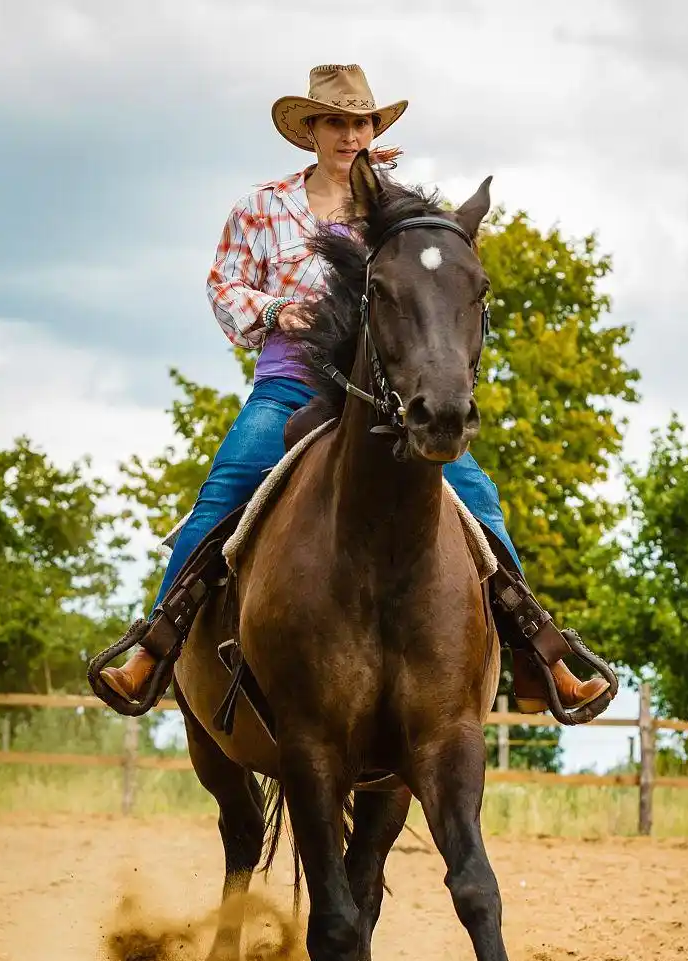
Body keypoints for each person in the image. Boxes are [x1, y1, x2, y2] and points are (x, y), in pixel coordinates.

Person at [100, 64, 611, 720]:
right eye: (336, 122)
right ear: (310, 130)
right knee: (226, 489)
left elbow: (436, 279)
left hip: (383, 396)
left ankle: (542, 657)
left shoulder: (398, 212)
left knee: (479, 496)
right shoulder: (261, 207)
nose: (350, 135)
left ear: (374, 130)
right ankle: (153, 651)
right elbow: (223, 284)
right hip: (290, 384)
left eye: (362, 123)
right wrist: (274, 310)